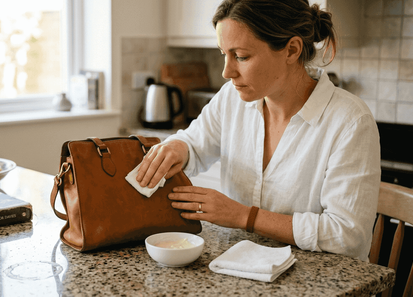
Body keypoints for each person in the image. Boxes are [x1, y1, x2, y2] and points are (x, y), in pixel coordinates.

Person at [136, 0, 380, 262]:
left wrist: (244, 216)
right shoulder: (231, 98)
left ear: (291, 50)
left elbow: (346, 235)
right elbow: (194, 144)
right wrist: (178, 148)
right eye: (224, 54)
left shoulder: (351, 121)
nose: (227, 72)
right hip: (238, 266)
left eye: (241, 56)